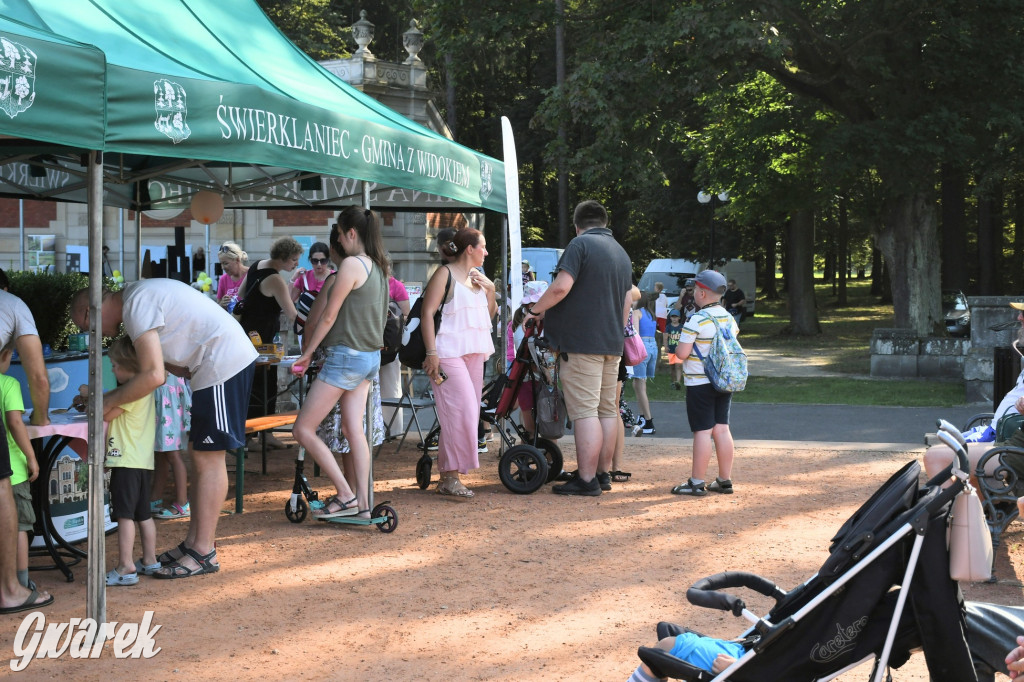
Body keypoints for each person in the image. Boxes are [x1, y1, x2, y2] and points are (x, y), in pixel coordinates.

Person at [71, 278, 257, 578]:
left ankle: (203, 551)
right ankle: (195, 543)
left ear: (87, 313)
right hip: (213, 364)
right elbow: (168, 365)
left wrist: (103, 404)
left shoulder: (135, 304)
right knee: (200, 454)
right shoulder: (136, 298)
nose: (90, 334)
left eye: (85, 327)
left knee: (209, 457)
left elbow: (154, 375)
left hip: (223, 362)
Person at [525, 200, 633, 496]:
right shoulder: (621, 252)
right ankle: (602, 473)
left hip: (582, 345)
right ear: (605, 221)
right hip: (612, 344)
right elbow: (626, 301)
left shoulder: (579, 245)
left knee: (585, 412)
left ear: (577, 225)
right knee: (606, 411)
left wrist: (535, 311)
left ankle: (585, 480)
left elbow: (561, 287)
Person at [291, 207, 389, 519]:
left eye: (340, 234)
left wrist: (307, 354)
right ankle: (363, 503)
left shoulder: (350, 265)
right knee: (353, 430)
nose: (338, 242)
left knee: (303, 429)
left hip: (345, 358)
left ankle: (346, 495)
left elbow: (328, 315)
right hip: (368, 358)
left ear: (350, 233)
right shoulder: (379, 267)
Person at [420, 227, 497, 498]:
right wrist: (431, 352)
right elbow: (427, 313)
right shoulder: (445, 273)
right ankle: (449, 477)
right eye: (483, 247)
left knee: (469, 412)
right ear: (469, 249)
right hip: (447, 352)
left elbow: (486, 317)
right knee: (461, 410)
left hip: (474, 351)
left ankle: (450, 476)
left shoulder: (477, 277)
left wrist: (491, 291)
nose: (486, 252)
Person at [924, 300, 1024, 487]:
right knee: (955, 458)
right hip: (1010, 441)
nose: (1019, 317)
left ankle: (948, 514)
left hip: (1016, 448)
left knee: (936, 457)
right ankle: (975, 515)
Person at [0, 282, 52, 613]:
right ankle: (12, 588)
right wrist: (42, 420)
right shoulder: (12, 304)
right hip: (17, 471)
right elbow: (39, 376)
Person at [671, 270, 737, 497]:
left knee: (702, 431)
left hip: (699, 383)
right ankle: (724, 480)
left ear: (700, 292)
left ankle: (697, 482)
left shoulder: (696, 320)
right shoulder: (728, 318)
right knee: (722, 428)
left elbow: (681, 353)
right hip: (723, 381)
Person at [102, 336, 160, 586]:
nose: (112, 370)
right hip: (142, 462)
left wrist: (91, 397)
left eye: (115, 365)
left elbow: (105, 411)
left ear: (129, 368)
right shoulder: (144, 390)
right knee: (143, 514)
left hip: (125, 461)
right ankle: (149, 559)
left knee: (124, 516)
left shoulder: (130, 394)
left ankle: (126, 565)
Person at [238, 237, 302, 449]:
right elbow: (292, 314)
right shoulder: (275, 280)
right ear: (283, 258)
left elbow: (240, 294)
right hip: (263, 336)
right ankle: (255, 434)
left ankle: (263, 435)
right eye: (293, 260)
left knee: (258, 383)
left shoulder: (256, 265)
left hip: (247, 332)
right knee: (262, 385)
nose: (296, 264)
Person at [0, 344, 39, 593]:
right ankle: (21, 582)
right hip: (12, 471)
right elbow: (15, 421)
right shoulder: (9, 383)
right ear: (5, 355)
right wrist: (32, 456)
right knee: (21, 527)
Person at [151, 373, 191, 519]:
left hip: (168, 397)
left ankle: (183, 503)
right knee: (161, 453)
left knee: (173, 454)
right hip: (161, 395)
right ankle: (155, 499)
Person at [380, 269, 411, 433]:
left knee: (390, 385)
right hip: (370, 342)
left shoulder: (396, 285)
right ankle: (369, 428)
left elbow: (407, 314)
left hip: (390, 344)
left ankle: (393, 429)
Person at [631, 292, 658, 435]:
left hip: (642, 346)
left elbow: (634, 332)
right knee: (638, 383)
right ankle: (642, 416)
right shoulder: (651, 313)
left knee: (640, 385)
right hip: (653, 346)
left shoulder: (636, 312)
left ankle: (648, 421)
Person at [215, 242, 249, 310]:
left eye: (225, 263)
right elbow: (218, 307)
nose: (222, 267)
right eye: (221, 264)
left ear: (237, 260)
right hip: (231, 320)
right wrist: (222, 303)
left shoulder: (251, 274)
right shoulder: (223, 279)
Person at [665, 308, 684, 390]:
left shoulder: (681, 327)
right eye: (673, 317)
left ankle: (678, 382)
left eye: (676, 317)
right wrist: (666, 346)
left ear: (679, 318)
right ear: (670, 318)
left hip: (679, 349)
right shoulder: (668, 327)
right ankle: (673, 381)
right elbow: (665, 337)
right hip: (671, 349)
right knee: (672, 366)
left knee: (678, 365)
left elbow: (685, 338)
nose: (674, 319)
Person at [653, 281, 668, 351]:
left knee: (654, 328)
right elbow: (666, 304)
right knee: (663, 329)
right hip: (663, 314)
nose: (654, 288)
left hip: (656, 314)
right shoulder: (664, 296)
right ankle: (665, 343)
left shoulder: (654, 296)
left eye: (655, 287)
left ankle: (655, 340)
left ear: (658, 289)